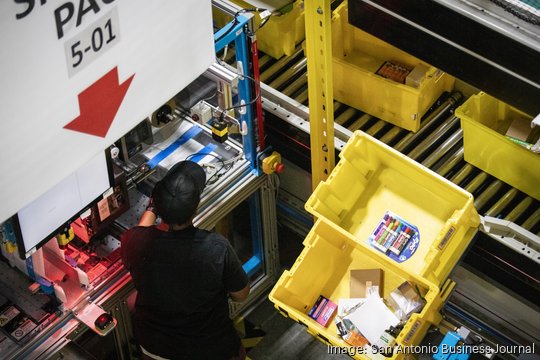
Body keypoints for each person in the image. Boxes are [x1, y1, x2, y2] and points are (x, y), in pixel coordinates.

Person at [121, 160, 250, 360]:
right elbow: (240, 295)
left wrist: (154, 207)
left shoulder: (134, 242)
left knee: (131, 299)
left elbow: (140, 231)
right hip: (209, 350)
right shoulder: (215, 248)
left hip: (155, 349)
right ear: (196, 207)